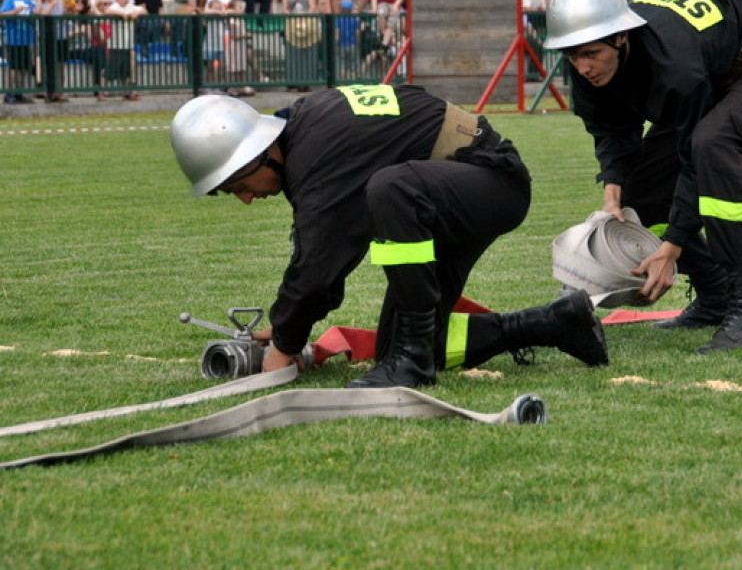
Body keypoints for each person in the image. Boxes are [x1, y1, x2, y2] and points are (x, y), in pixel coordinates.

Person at [168, 89, 608, 388]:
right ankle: (556, 322)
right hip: (449, 191)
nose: (245, 199)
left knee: (390, 189)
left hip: (490, 182)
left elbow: (319, 266)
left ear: (258, 153)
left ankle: (412, 363)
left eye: (237, 186)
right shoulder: (308, 132)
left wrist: (283, 346)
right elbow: (329, 250)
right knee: (395, 345)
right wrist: (285, 328)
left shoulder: (315, 153)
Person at [543, 0, 742, 352]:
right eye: (572, 56)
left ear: (622, 37)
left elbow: (691, 160)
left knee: (712, 147)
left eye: (591, 54)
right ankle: (715, 295)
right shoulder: (590, 66)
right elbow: (612, 133)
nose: (583, 67)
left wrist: (672, 245)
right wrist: (613, 193)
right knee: (641, 194)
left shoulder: (675, 67)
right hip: (714, 69)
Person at [1, 0, 36, 104]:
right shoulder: (9, 0)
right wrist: (15, 11)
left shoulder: (27, 0)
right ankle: (10, 92)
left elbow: (35, 10)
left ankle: (19, 92)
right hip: (14, 39)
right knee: (14, 68)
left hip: (26, 39)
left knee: (24, 68)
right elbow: (3, 13)